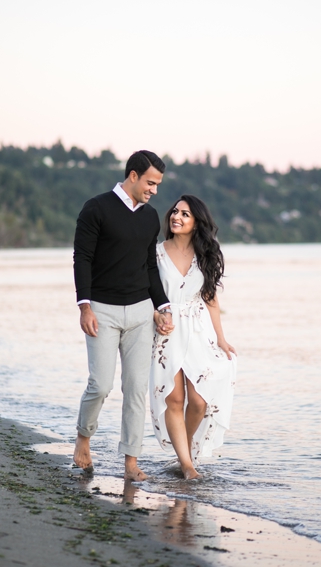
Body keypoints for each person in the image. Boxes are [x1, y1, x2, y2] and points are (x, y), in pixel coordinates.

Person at [72, 150, 173, 481]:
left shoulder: (149, 216)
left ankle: (131, 462)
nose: (154, 190)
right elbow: (82, 258)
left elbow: (149, 266)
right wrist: (84, 305)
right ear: (133, 175)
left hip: (141, 312)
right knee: (100, 385)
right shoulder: (96, 208)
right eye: (150, 182)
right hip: (102, 310)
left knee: (136, 390)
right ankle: (83, 439)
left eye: (157, 184)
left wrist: (162, 307)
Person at [149, 195, 236, 479]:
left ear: (197, 221)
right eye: (175, 211)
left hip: (199, 331)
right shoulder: (157, 252)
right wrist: (156, 316)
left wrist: (221, 339)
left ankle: (183, 452)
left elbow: (210, 297)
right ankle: (187, 465)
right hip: (167, 329)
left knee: (199, 401)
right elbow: (144, 290)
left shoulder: (205, 255)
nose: (177, 217)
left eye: (185, 214)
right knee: (174, 399)